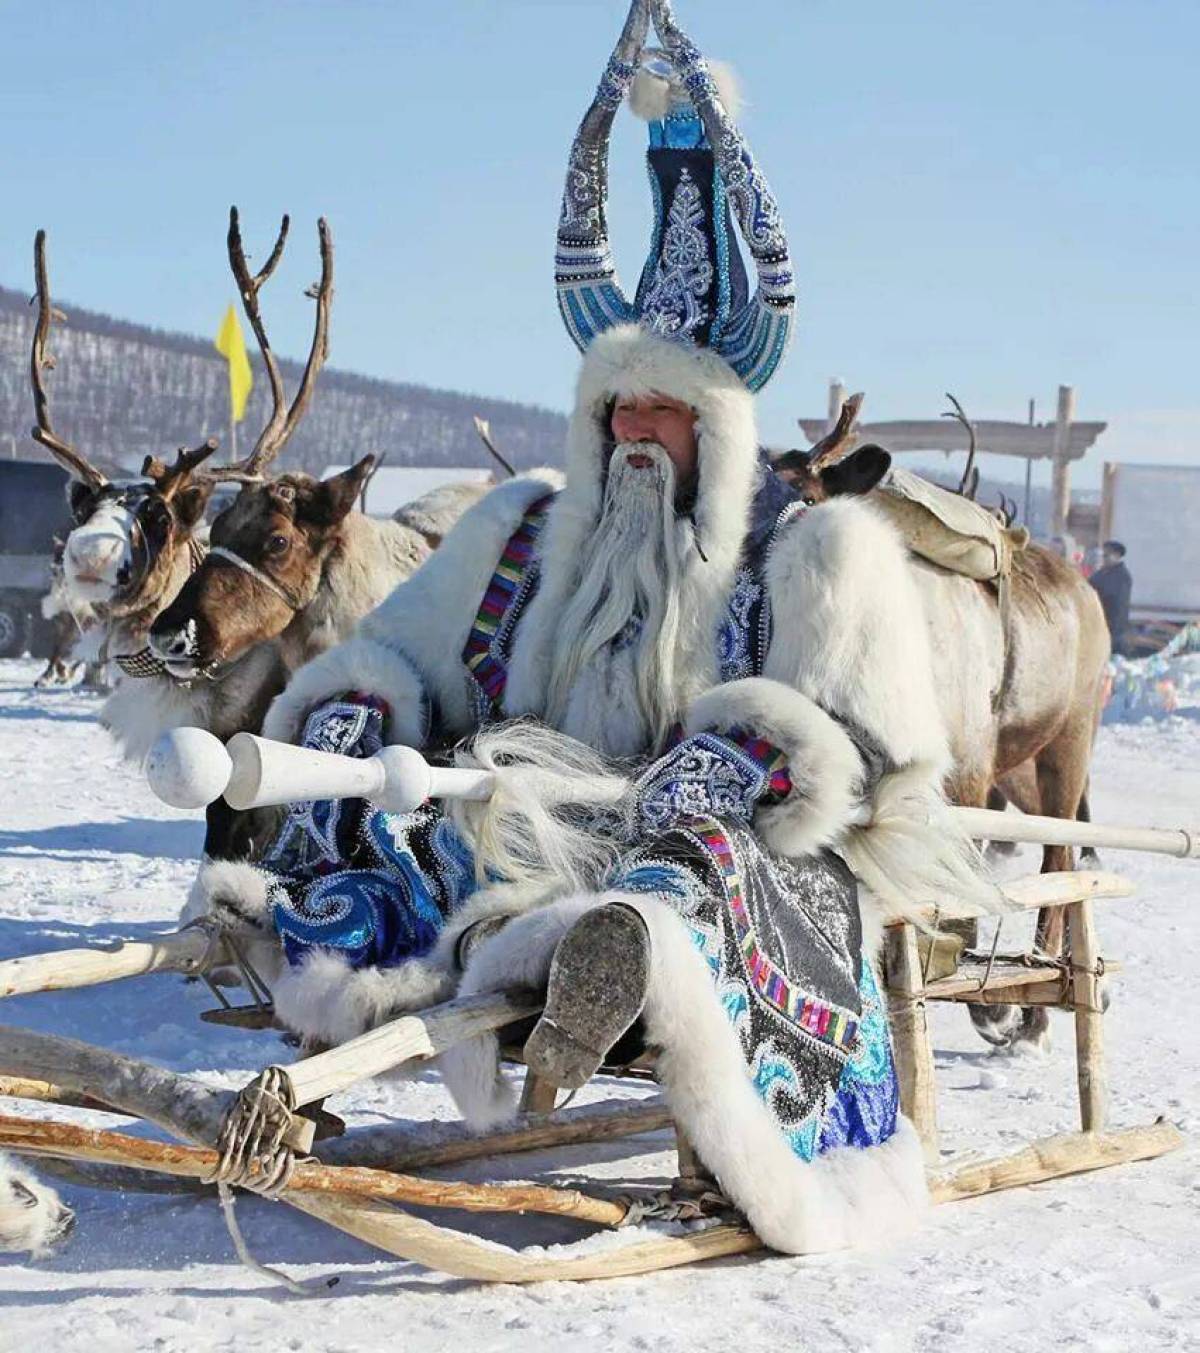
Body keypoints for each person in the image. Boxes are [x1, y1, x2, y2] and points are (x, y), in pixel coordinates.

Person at [189, 0, 996, 1255]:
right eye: (611, 406)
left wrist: (732, 762)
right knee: (397, 821)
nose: (631, 431)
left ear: (715, 429)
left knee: (702, 873)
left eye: (661, 413)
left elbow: (873, 766)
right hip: (538, 829)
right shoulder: (519, 535)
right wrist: (359, 711)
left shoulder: (816, 557)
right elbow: (400, 654)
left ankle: (622, 964)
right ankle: (370, 956)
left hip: (740, 851)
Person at [1089, 539, 1133, 654]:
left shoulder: (1122, 576)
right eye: (1103, 555)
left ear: (1117, 555)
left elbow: (1118, 604)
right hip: (1099, 624)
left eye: (1107, 555)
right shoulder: (1102, 573)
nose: (1104, 558)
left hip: (1113, 629)